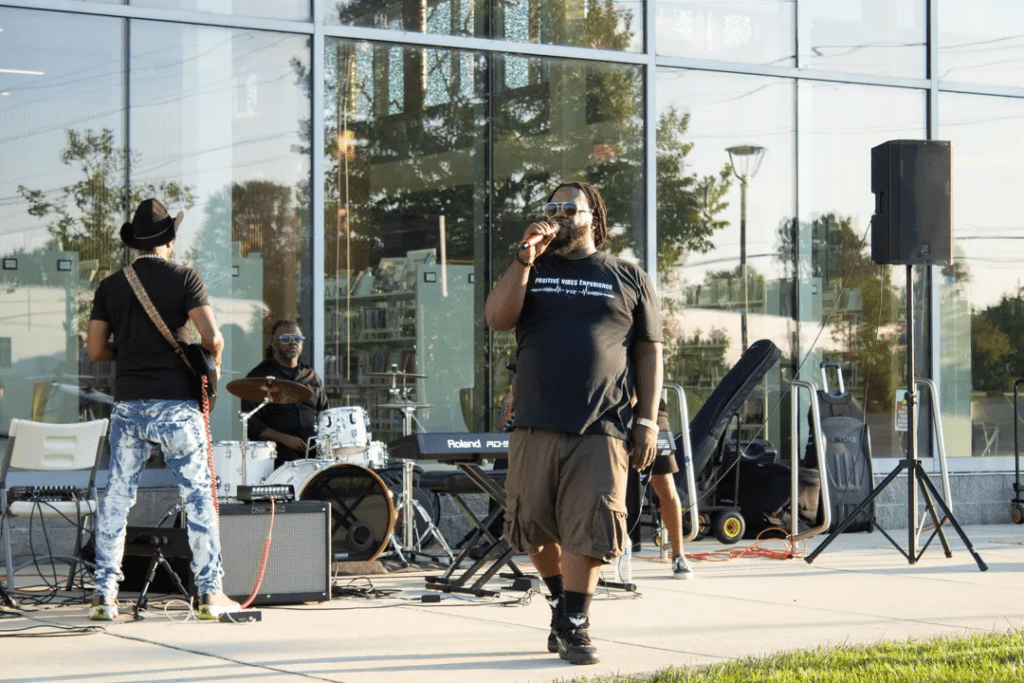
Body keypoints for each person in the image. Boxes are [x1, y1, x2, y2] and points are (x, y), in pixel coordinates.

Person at [485, 181, 663, 666]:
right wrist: (523, 259)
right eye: (553, 207)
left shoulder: (628, 275)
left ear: (594, 219)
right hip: (535, 420)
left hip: (602, 422)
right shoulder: (533, 269)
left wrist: (647, 419)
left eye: (571, 208)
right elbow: (498, 319)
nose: (560, 213)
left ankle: (577, 626)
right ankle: (562, 602)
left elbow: (649, 351)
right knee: (531, 525)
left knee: (591, 525)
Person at [86, 198, 237, 621]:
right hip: (177, 407)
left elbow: (96, 350)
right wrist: (213, 368)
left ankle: (104, 596)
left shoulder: (110, 286)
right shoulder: (185, 278)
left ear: (136, 245)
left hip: (128, 407)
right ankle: (210, 595)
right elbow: (214, 337)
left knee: (117, 499)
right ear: (170, 239)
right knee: (199, 497)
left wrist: (130, 351)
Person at [242, 320, 328, 468]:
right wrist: (285, 439)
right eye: (286, 339)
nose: (293, 342)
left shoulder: (311, 376)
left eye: (298, 339)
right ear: (274, 344)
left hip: (313, 452)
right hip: (276, 454)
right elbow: (251, 423)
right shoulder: (259, 377)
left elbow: (325, 415)